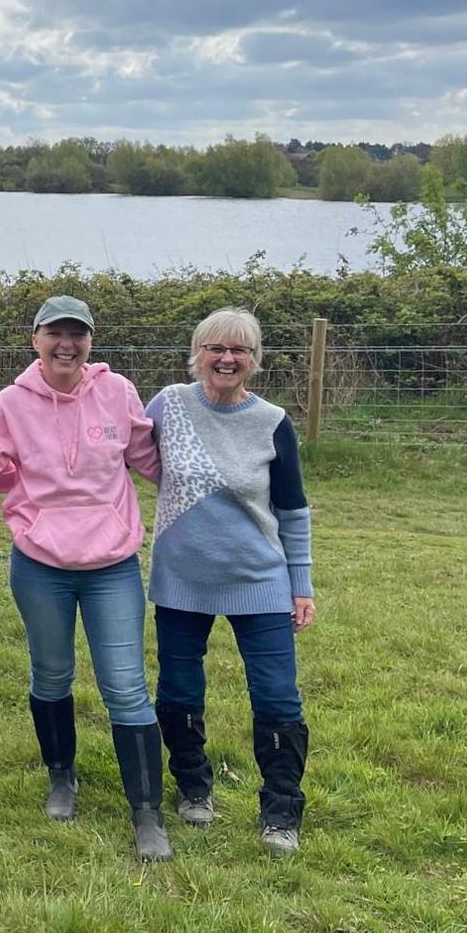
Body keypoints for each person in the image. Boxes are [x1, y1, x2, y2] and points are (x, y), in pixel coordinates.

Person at [0, 296, 173, 862]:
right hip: (40, 565)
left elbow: (151, 458)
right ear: (35, 340)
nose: (66, 344)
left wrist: (225, 468)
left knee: (125, 683)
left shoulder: (118, 392)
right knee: (51, 673)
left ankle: (146, 812)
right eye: (55, 333)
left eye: (77, 334)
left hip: (112, 566)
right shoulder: (10, 403)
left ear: (91, 342)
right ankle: (61, 777)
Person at [146, 307, 315, 854]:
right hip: (181, 578)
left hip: (259, 578)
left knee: (277, 698)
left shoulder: (272, 420)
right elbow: (116, 455)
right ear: (197, 354)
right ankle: (192, 786)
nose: (227, 358)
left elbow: (293, 509)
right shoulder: (167, 405)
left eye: (240, 350)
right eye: (216, 348)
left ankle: (281, 810)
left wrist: (301, 583)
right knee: (179, 688)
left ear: (254, 360)